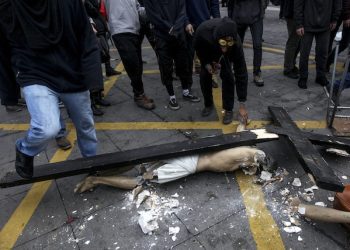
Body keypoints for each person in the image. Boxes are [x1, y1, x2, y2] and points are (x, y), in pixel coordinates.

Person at [0, 0, 99, 179]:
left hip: (72, 72)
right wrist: (9, 94)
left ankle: (91, 165)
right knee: (47, 128)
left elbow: (86, 36)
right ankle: (25, 149)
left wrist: (94, 78)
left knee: (85, 125)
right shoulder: (8, 6)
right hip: (34, 73)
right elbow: (3, 49)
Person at [74, 145, 275, 193]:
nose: (254, 168)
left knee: (141, 161)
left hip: (190, 151)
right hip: (190, 165)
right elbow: (254, 165)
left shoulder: (245, 149)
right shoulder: (251, 158)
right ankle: (96, 180)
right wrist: (261, 170)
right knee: (142, 181)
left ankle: (100, 174)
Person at [144, 0, 201, 110]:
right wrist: (168, 27)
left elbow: (182, 12)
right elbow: (152, 16)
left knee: (183, 64)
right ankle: (172, 97)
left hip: (179, 34)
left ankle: (186, 92)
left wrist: (176, 27)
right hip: (162, 36)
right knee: (166, 67)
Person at [194, 17, 249, 125]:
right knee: (204, 75)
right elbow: (199, 49)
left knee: (228, 75)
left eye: (229, 43)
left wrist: (242, 105)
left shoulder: (236, 44)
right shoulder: (202, 32)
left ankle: (228, 109)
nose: (224, 48)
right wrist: (206, 64)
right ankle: (208, 104)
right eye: (223, 43)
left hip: (228, 53)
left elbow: (241, 72)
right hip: (209, 49)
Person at [105, 0, 155, 110]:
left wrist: (152, 10)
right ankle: (139, 96)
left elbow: (137, 8)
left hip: (134, 30)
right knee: (133, 64)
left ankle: (139, 93)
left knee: (137, 64)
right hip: (120, 30)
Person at [294, 0, 342, 89]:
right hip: (307, 24)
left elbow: (337, 3)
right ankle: (303, 77)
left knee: (323, 53)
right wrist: (299, 24)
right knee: (304, 53)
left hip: (325, 23)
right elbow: (298, 4)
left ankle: (320, 76)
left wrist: (335, 19)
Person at [227, 0, 269, 87]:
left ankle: (257, 73)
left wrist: (263, 9)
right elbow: (230, 2)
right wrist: (230, 17)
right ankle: (236, 71)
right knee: (237, 45)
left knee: (258, 44)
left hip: (256, 16)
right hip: (239, 16)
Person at [185, 0, 221, 87]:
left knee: (208, 51)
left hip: (205, 22)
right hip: (189, 24)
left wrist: (218, 20)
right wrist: (186, 22)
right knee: (189, 53)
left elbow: (214, 4)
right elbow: (181, 5)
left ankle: (211, 76)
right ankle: (187, 83)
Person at [280, 0, 301, 79]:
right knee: (293, 42)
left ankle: (291, 64)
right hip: (292, 14)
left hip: (296, 13)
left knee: (298, 42)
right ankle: (288, 68)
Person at [327, 0, 350, 72]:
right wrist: (347, 16)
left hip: (344, 13)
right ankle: (327, 62)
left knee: (344, 43)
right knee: (344, 43)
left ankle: (348, 65)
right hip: (343, 14)